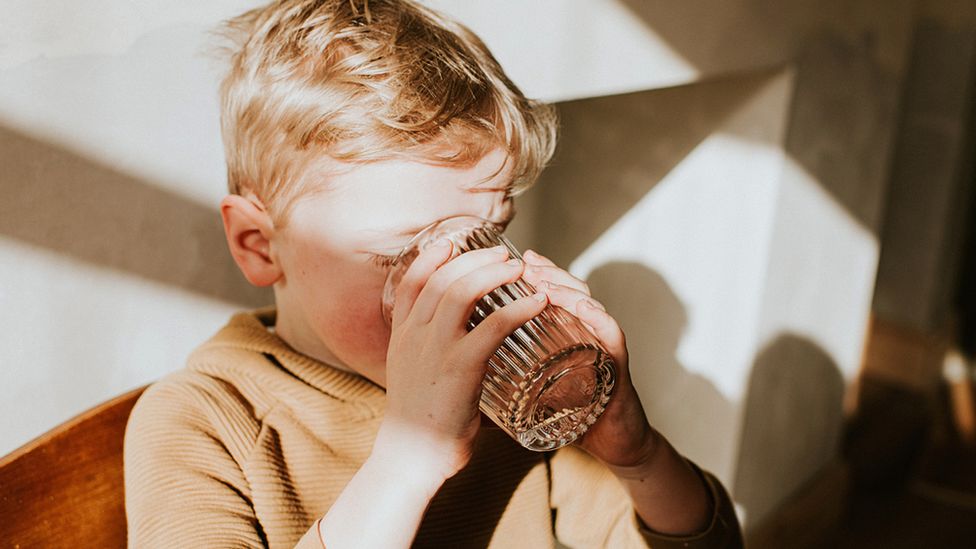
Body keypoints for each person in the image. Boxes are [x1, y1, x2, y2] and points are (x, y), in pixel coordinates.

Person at [123, 1, 743, 547]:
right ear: (259, 245)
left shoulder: (504, 387)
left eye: (486, 236)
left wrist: (638, 457)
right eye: (400, 255)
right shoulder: (203, 422)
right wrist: (408, 461)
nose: (456, 287)